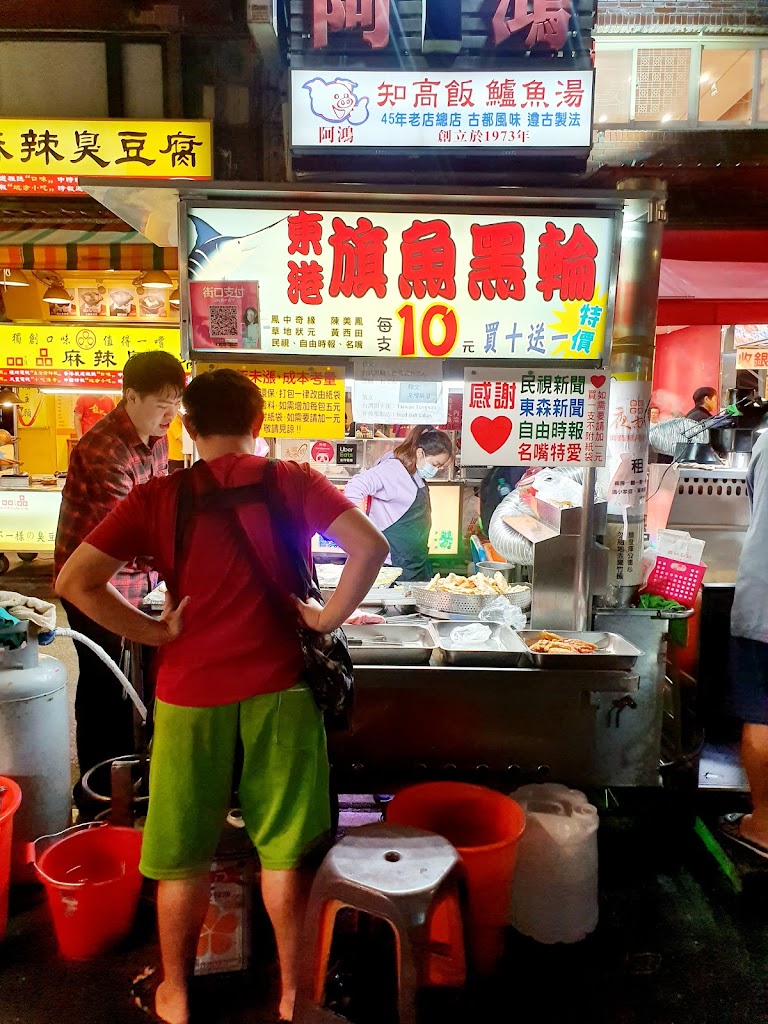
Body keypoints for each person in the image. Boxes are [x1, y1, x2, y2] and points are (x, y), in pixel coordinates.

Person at [56, 368, 389, 1024]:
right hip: (282, 691)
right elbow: (369, 547)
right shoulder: (292, 481)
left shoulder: (161, 494)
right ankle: (293, 995)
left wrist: (152, 631)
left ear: (189, 425)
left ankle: (176, 992)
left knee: (182, 854)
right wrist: (325, 619)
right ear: (258, 424)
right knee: (284, 854)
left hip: (189, 694)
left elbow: (75, 580)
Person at [55, 351, 185, 782]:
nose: (171, 413)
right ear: (130, 396)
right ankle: (97, 785)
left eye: (176, 402)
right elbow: (129, 534)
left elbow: (160, 509)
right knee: (104, 682)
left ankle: (130, 771)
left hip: (139, 581)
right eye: (162, 403)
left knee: (135, 682)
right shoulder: (104, 448)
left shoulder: (159, 439)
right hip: (94, 585)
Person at [719, 425, 768, 860]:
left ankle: (764, 827)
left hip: (765, 601)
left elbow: (753, 502)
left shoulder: (767, 440)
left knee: (762, 710)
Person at [344, 424, 453, 582]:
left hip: (415, 561)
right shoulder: (394, 469)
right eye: (435, 464)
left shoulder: (413, 469)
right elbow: (355, 487)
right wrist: (361, 530)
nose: (436, 470)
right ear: (420, 453)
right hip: (393, 565)